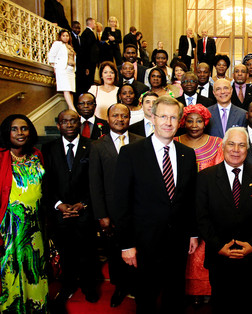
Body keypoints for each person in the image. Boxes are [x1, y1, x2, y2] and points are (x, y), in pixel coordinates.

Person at [113, 96, 198, 313]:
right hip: (143, 243)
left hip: (177, 241)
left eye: (173, 117)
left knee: (175, 296)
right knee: (146, 299)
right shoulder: (131, 153)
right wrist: (126, 244)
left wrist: (193, 233)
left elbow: (190, 198)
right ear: (152, 118)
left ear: (180, 121)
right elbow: (121, 202)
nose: (168, 122)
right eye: (163, 117)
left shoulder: (187, 155)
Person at [196, 127, 252, 314]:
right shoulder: (205, 177)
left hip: (251, 255)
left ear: (247, 149)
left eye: (241, 145)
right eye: (231, 144)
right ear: (222, 147)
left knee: (248, 304)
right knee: (221, 304)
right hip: (219, 255)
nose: (236, 149)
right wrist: (218, 246)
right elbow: (201, 216)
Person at [42, 110, 99, 309]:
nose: (69, 124)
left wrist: (83, 203)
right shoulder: (48, 149)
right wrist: (58, 205)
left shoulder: (92, 146)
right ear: (58, 125)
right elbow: (45, 181)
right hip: (60, 212)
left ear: (79, 123)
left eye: (73, 121)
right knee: (66, 251)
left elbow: (96, 180)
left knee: (88, 252)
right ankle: (67, 285)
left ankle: (89, 286)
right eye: (64, 121)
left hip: (85, 210)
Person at [89, 104, 143, 308]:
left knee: (137, 250)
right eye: (115, 115)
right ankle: (120, 287)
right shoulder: (97, 146)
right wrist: (101, 215)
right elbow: (95, 183)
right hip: (111, 212)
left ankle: (137, 286)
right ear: (107, 118)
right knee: (115, 252)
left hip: (138, 209)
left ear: (130, 118)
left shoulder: (140, 142)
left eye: (124, 116)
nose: (120, 119)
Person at [173, 104, 223, 303]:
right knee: (182, 249)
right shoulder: (174, 141)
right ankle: (183, 291)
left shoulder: (218, 143)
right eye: (190, 120)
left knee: (204, 250)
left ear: (206, 122)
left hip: (208, 206)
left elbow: (220, 175)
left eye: (199, 121)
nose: (194, 125)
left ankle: (205, 291)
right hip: (180, 206)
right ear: (183, 122)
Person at [0, 115, 48, 313]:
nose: (20, 133)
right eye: (14, 129)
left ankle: (38, 308)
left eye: (24, 128)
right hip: (9, 224)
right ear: (6, 132)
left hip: (35, 224)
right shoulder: (2, 156)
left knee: (34, 268)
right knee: (12, 269)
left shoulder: (37, 154)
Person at [48, 29, 77, 109]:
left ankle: (71, 108)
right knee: (66, 89)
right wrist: (55, 67)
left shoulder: (70, 46)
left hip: (71, 69)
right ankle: (73, 109)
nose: (65, 37)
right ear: (60, 37)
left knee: (71, 90)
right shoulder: (58, 44)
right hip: (63, 68)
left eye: (67, 36)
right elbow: (51, 55)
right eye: (63, 36)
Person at [77, 17, 99, 94]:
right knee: (88, 81)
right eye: (94, 23)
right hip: (88, 63)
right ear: (91, 23)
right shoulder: (87, 33)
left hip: (90, 62)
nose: (95, 25)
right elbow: (86, 50)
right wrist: (87, 66)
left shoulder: (88, 33)